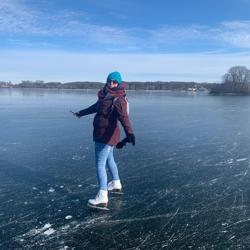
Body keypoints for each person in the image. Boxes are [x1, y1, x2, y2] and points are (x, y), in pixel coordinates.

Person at [73, 71, 135, 209]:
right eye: (109, 81)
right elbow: (96, 107)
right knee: (109, 159)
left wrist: (130, 133)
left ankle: (102, 196)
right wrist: (81, 113)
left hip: (106, 135)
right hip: (105, 134)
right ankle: (116, 183)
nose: (111, 84)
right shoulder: (105, 96)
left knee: (100, 164)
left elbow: (124, 118)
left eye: (114, 82)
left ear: (118, 83)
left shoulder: (118, 99)